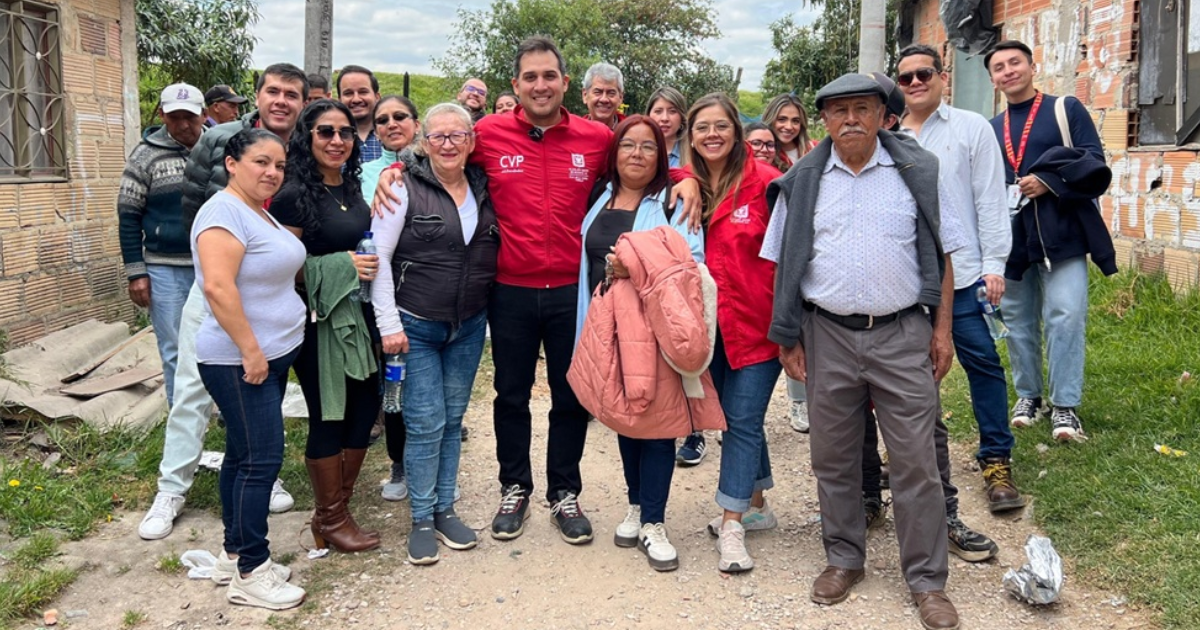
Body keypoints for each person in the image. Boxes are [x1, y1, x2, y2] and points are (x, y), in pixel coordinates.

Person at [370, 36, 701, 547]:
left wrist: (684, 177)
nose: (540, 85)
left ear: (566, 83)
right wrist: (395, 169)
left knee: (572, 395)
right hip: (509, 290)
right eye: (530, 77)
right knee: (510, 393)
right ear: (515, 85)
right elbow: (439, 151)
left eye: (550, 76)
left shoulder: (594, 137)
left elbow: (642, 162)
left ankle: (565, 492)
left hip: (574, 290)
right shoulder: (489, 132)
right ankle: (515, 487)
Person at [763, 73, 968, 630]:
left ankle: (927, 581)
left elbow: (945, 257)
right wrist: (788, 338)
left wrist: (941, 329)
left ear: (882, 115)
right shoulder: (802, 180)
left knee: (916, 461)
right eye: (838, 111)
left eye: (862, 108)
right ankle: (844, 558)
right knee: (833, 456)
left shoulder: (916, 173)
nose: (850, 118)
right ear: (823, 121)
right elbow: (783, 266)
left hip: (903, 332)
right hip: (825, 332)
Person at [138, 63, 307, 541]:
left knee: (257, 405)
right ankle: (172, 488)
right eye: (272, 90)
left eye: (291, 94)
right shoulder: (221, 140)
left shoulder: (306, 147)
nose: (281, 100)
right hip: (218, 286)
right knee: (192, 388)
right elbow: (196, 202)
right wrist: (214, 269)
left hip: (270, 289)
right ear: (257, 95)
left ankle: (260, 477)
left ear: (301, 101)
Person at [897, 45, 1026, 519]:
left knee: (982, 364)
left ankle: (996, 461)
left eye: (923, 74)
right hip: (905, 282)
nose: (915, 83)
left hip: (966, 274)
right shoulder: (886, 135)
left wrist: (995, 264)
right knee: (903, 375)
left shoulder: (971, 129)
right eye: (906, 77)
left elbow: (991, 200)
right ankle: (909, 456)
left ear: (942, 76)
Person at [576, 115, 705, 571]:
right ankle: (635, 504)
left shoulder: (672, 201)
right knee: (626, 418)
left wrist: (638, 269)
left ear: (661, 156)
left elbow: (693, 264)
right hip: (607, 328)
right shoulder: (600, 198)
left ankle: (654, 521)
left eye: (648, 147)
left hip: (654, 333)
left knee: (658, 426)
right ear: (614, 153)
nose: (637, 154)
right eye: (628, 145)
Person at [370, 102, 497, 565]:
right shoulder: (403, 187)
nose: (447, 144)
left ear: (471, 142)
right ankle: (422, 517)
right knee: (424, 423)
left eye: (457, 136)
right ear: (423, 142)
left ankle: (445, 508)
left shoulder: (483, 187)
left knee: (451, 421)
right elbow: (379, 258)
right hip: (415, 325)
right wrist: (389, 325)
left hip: (466, 326)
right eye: (438, 136)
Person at [192, 128, 306, 610]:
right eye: (261, 162)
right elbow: (218, 287)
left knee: (241, 457)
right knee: (261, 460)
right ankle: (252, 573)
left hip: (266, 356)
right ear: (232, 163)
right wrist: (251, 350)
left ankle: (233, 554)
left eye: (278, 165)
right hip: (239, 360)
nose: (272, 173)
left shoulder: (254, 211)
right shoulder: (222, 212)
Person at [985, 40, 1116, 441]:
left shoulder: (1065, 109)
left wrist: (1048, 181)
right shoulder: (991, 128)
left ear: (1031, 65)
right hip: (1014, 240)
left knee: (1065, 315)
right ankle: (1029, 396)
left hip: (1064, 235)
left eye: (1015, 62)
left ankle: (1065, 407)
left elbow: (1093, 161)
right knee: (1019, 323)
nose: (1008, 71)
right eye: (999, 67)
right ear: (992, 78)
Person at [268, 99, 381, 554]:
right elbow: (286, 266)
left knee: (364, 406)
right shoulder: (295, 193)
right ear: (307, 137)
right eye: (326, 132)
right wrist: (344, 264)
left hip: (358, 315)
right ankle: (332, 519)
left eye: (346, 133)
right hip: (316, 322)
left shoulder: (351, 188)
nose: (337, 141)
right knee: (330, 411)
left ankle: (334, 512)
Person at [683, 93, 782, 574]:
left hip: (759, 326)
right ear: (691, 136)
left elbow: (793, 253)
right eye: (702, 128)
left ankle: (732, 524)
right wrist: (682, 179)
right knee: (732, 418)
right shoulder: (688, 184)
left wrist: (792, 325)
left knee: (741, 420)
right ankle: (757, 500)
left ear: (738, 133)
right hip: (709, 328)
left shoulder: (767, 183)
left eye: (721, 126)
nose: (712, 135)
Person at [119, 82, 205, 409]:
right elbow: (128, 215)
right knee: (175, 349)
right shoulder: (145, 155)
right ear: (163, 116)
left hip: (214, 265)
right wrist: (135, 273)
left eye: (190, 117)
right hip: (165, 268)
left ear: (204, 115)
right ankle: (182, 417)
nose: (183, 124)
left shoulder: (219, 150)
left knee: (220, 343)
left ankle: (224, 411)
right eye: (175, 117)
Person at [360, 95, 420, 501]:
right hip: (375, 291)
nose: (391, 124)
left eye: (400, 116)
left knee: (423, 384)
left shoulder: (432, 165)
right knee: (392, 383)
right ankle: (398, 463)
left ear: (416, 122)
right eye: (382, 120)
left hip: (421, 294)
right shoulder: (363, 171)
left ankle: (427, 459)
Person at [337, 65, 382, 162]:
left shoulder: (391, 135)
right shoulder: (331, 138)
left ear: (377, 97)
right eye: (348, 93)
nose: (356, 99)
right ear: (339, 100)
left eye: (363, 92)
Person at [646, 88, 688, 179]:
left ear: (682, 117)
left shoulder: (693, 154)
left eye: (672, 111)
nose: (664, 118)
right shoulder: (637, 151)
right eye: (658, 111)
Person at [763, 93, 814, 164]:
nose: (789, 127)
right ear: (770, 119)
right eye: (782, 119)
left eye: (795, 121)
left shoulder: (815, 149)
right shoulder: (760, 153)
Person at [582, 63, 625, 129]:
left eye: (611, 93)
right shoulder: (572, 134)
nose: (604, 99)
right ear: (585, 95)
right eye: (597, 92)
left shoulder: (631, 134)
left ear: (620, 98)